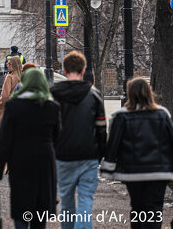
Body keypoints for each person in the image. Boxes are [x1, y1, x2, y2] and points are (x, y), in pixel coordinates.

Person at [0, 67, 61, 229]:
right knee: (40, 209)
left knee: (21, 205)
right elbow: (58, 138)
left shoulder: (14, 106)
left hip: (20, 161)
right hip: (45, 161)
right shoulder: (52, 107)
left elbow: (4, 141)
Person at [100, 77, 173, 229]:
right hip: (158, 172)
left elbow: (113, 144)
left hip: (133, 172)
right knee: (154, 209)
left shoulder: (121, 116)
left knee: (138, 207)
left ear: (130, 94)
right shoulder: (162, 114)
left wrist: (108, 168)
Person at [50, 50, 107, 229]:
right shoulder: (94, 95)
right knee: (85, 202)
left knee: (66, 202)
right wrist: (100, 154)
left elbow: (49, 129)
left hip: (62, 156)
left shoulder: (53, 94)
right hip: (88, 155)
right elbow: (101, 129)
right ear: (83, 71)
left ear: (64, 71)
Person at [0, 55, 23, 128]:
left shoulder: (9, 77)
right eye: (7, 63)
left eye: (9, 64)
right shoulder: (24, 77)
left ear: (15, 65)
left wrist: (0, 104)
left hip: (9, 106)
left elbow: (5, 95)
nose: (7, 65)